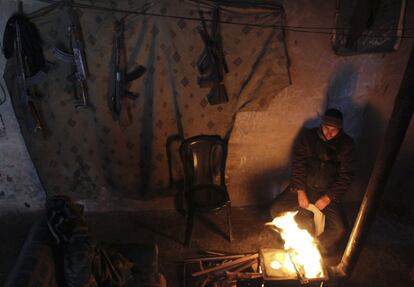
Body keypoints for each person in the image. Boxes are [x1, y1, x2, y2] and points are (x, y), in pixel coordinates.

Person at [270, 108, 355, 255]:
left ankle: (314, 248)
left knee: (340, 228)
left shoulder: (347, 145)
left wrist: (329, 197)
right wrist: (300, 191)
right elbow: (298, 165)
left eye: (333, 130)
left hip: (327, 191)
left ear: (340, 129)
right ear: (321, 124)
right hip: (304, 186)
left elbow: (346, 176)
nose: (328, 133)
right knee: (276, 209)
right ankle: (291, 238)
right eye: (326, 128)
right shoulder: (308, 137)